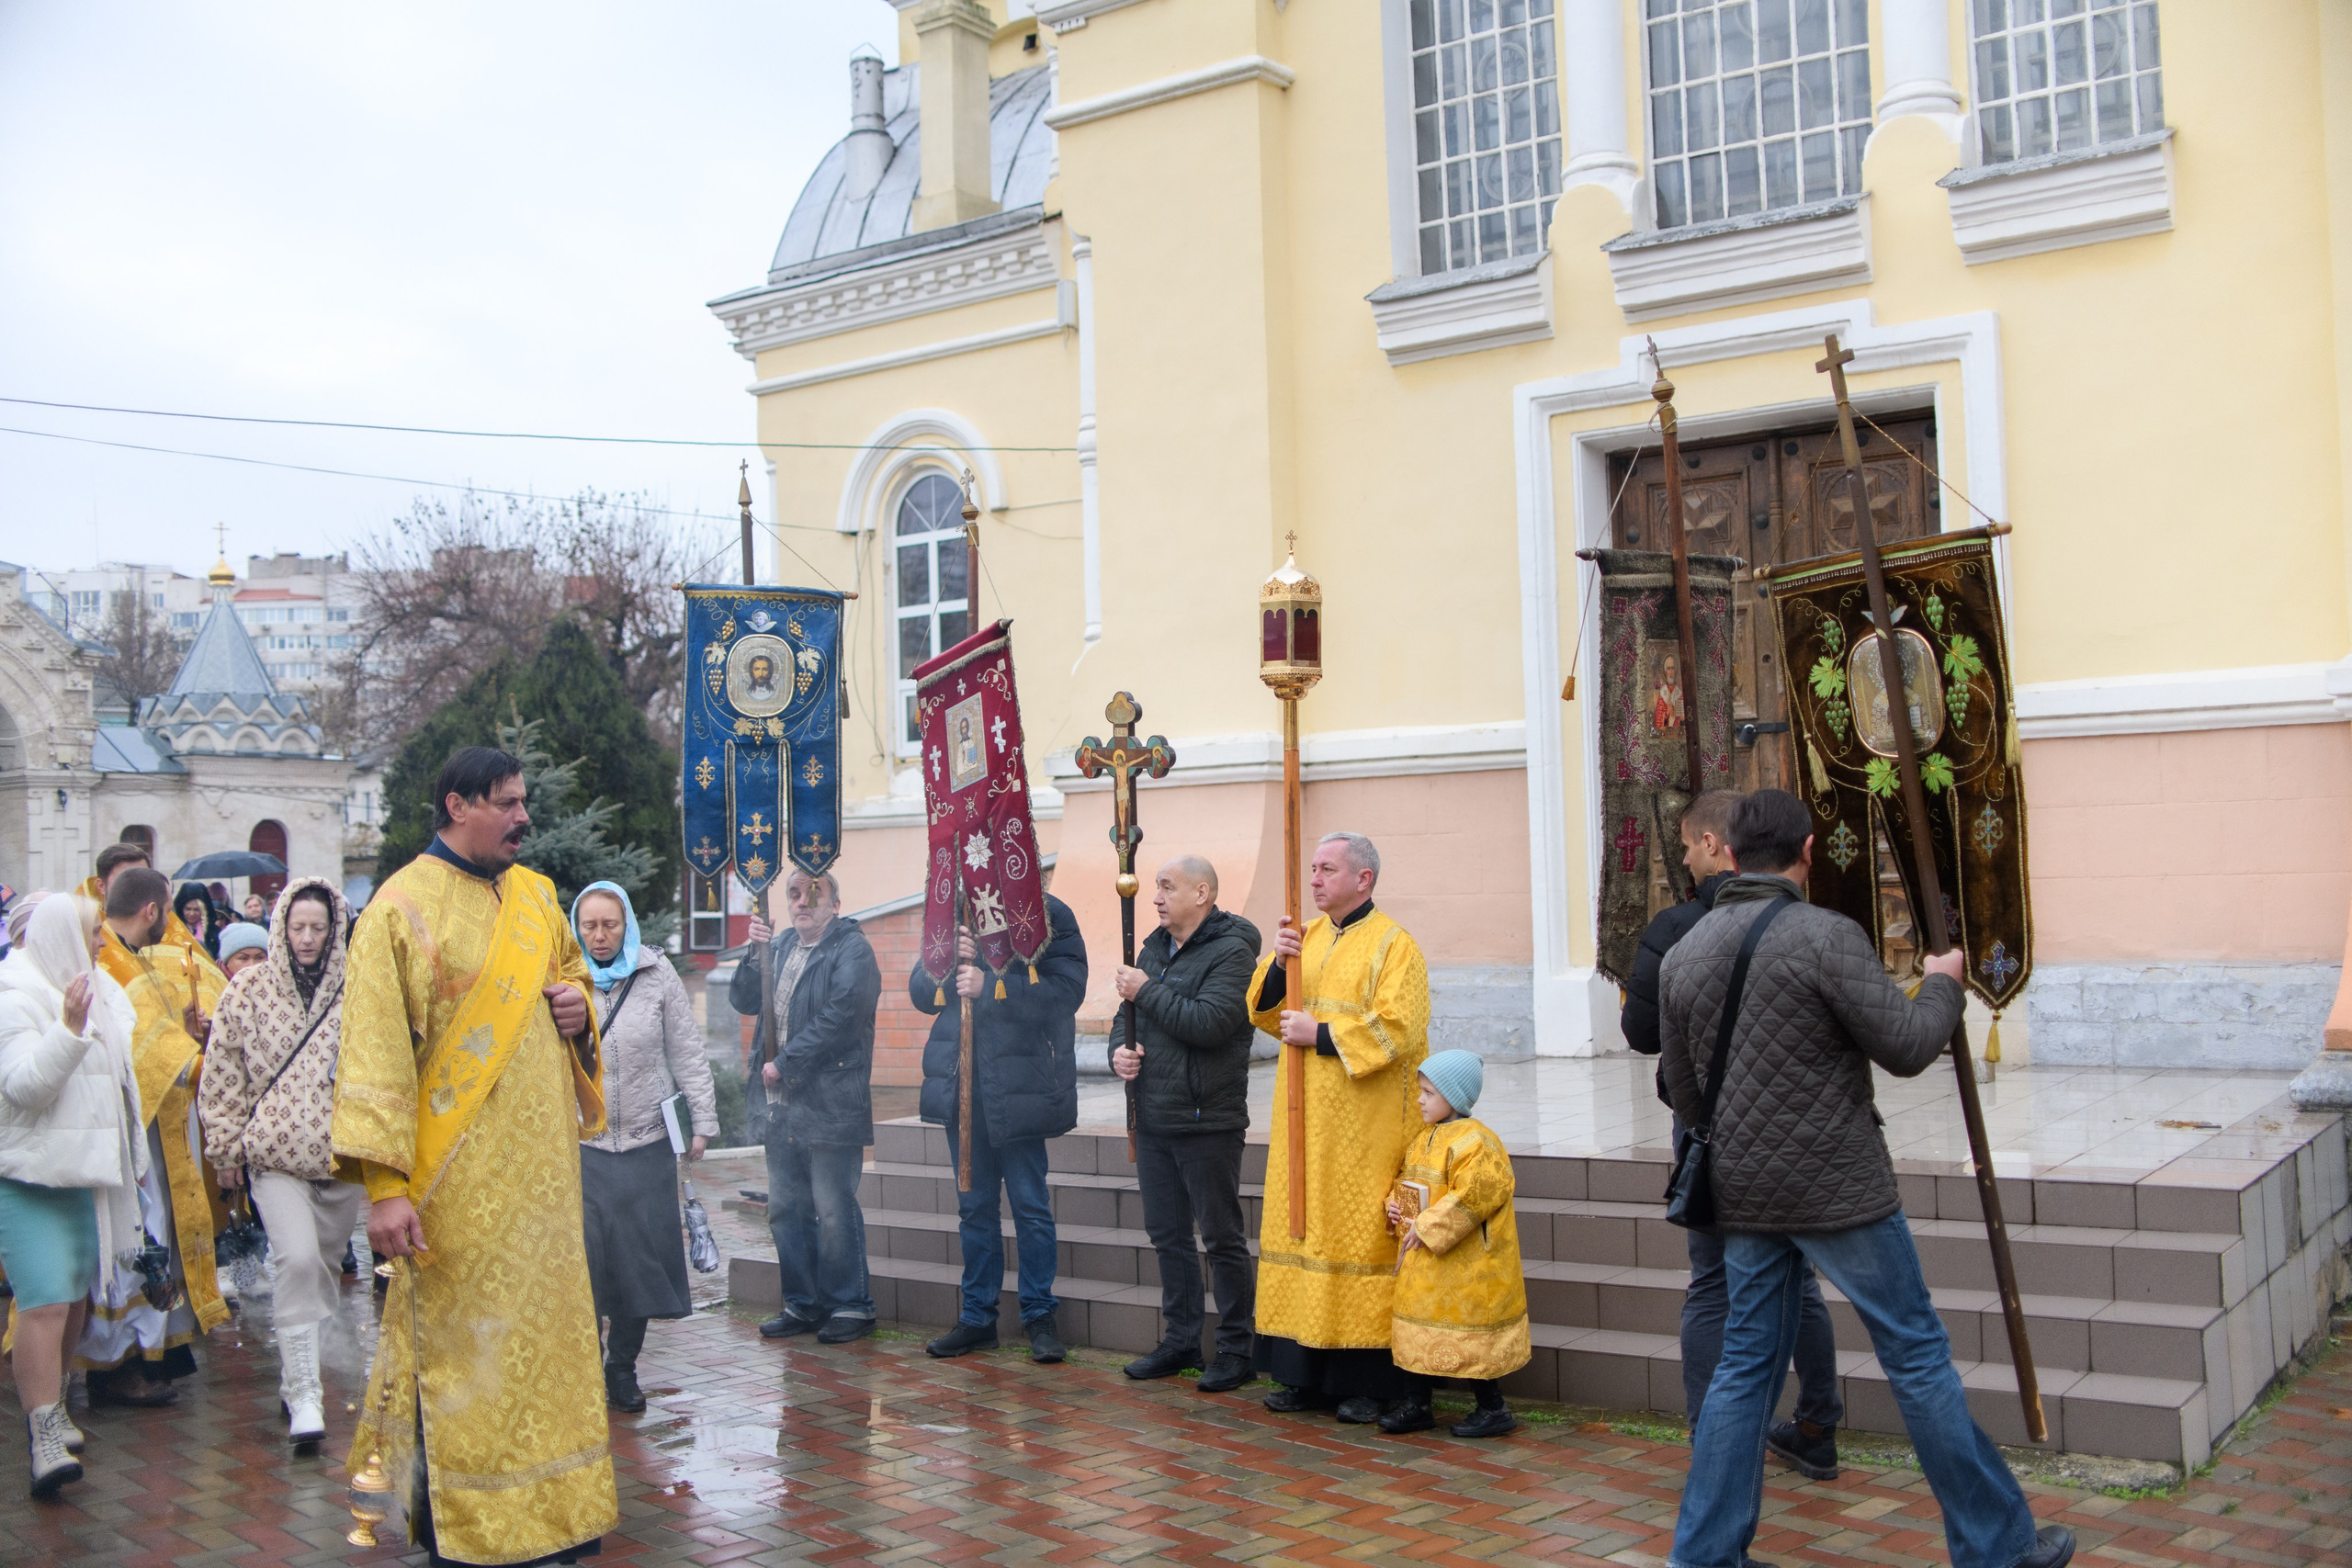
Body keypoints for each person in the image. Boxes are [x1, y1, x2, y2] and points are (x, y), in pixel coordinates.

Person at [1659, 790, 2074, 1568]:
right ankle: (1996, 1548)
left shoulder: (1686, 953)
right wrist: (1942, 981)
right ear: (1808, 851)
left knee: (1743, 1369)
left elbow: (1684, 1096)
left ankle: (1705, 1555)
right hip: (1839, 1188)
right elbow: (1909, 1044)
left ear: (1732, 855)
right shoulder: (1827, 936)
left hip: (1744, 1193)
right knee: (1915, 1355)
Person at [331, 747, 618, 1567]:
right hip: (453, 1192)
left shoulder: (538, 897)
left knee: (550, 1354)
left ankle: (560, 1519)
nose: (524, 816)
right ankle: (466, 1534)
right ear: (458, 805)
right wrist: (386, 1188)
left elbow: (575, 983)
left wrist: (579, 1009)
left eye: (525, 800)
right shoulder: (398, 911)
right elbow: (376, 1058)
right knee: (462, 1361)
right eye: (506, 802)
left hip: (543, 1188)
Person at [1623, 790, 1844, 1475]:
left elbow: (1641, 1031)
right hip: (1793, 1127)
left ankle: (1710, 1440)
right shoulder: (1806, 923)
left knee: (1713, 1283)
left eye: (1689, 844)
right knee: (1798, 1279)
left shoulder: (1679, 927)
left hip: (1710, 1126)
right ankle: (1817, 1423)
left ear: (1716, 845)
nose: (1685, 858)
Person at [1247, 831, 1430, 1424]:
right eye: (1313, 869)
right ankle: (1304, 1376)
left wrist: (1320, 1034)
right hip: (1303, 1120)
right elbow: (1262, 1012)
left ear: (1363, 878)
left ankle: (1368, 1382)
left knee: (1356, 1237)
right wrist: (1279, 964)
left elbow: (1399, 1029)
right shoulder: (1304, 937)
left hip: (1365, 1128)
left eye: (1327, 869)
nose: (1315, 880)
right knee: (1305, 1231)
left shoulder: (1395, 945)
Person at [198, 878, 364, 1448]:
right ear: (281, 928)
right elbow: (223, 1073)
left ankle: (298, 1376)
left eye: (318, 927)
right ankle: (306, 1393)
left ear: (335, 929)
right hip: (274, 1157)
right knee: (295, 1259)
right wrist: (225, 1149)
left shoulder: (359, 988)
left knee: (322, 1271)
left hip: (341, 1161)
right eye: (298, 927)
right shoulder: (248, 989)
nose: (308, 938)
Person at [0, 895, 146, 1496]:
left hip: (84, 1174)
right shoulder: (14, 994)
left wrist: (131, 1160)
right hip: (26, 1177)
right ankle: (42, 1435)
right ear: (61, 935)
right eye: (91, 933)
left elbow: (119, 1084)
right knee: (45, 1302)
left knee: (76, 1298)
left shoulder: (97, 989)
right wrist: (67, 1029)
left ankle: (56, 1403)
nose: (101, 943)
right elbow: (24, 1088)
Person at [910, 892, 1087, 1363]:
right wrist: (948, 963)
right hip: (962, 1088)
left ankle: (1039, 1315)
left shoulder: (1048, 911)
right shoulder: (952, 910)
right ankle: (977, 1318)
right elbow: (921, 993)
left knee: (1030, 1206)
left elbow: (1066, 993)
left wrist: (991, 987)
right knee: (974, 1208)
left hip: (1021, 1085)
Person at [1108, 855, 1261, 1393]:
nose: (1155, 897)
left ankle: (1237, 1350)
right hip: (1154, 1115)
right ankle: (1181, 1341)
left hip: (1206, 1118)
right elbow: (1125, 1019)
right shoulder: (1153, 947)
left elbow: (1211, 1023)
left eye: (1167, 887)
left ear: (1202, 894)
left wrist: (1145, 990)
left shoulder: (1234, 952)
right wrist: (1120, 1053)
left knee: (1221, 1238)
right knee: (1168, 1236)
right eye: (1155, 886)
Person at [77, 865, 224, 1406]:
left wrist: (184, 1032)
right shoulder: (111, 961)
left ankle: (148, 1353)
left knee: (151, 1236)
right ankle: (112, 1367)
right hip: (116, 1135)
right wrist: (204, 1063)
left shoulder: (128, 952)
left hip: (146, 1129)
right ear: (152, 910)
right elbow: (140, 1041)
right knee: (125, 1245)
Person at [572, 879, 716, 1414]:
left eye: (610, 924)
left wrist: (702, 1121)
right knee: (586, 1263)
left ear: (626, 925)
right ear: (576, 928)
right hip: (582, 1147)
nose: (600, 935)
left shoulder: (656, 974)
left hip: (646, 1142)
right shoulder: (562, 977)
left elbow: (687, 1050)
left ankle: (622, 1368)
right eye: (589, 925)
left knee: (636, 1263)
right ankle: (586, 1364)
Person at [730, 868, 881, 1346]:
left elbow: (842, 1015)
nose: (802, 902)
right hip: (780, 1105)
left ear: (835, 905)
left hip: (830, 1102)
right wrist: (753, 955)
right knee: (786, 1208)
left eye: (814, 895)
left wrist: (786, 1063)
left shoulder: (851, 949)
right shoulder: (777, 948)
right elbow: (744, 1001)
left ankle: (851, 1305)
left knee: (832, 1208)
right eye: (794, 894)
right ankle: (804, 1303)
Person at [1379, 1050, 1525, 1438]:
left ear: (1455, 1096)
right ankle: (1417, 1404)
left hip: (1467, 1263)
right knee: (1417, 1326)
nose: (1420, 1100)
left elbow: (1478, 1193)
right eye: (1421, 1091)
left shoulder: (1478, 1141)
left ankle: (1492, 1407)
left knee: (1472, 1332)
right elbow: (1407, 1182)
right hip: (1423, 1259)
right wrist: (1395, 1206)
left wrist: (1428, 1226)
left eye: (1429, 1093)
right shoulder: (1423, 1138)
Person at [174, 884, 220, 962]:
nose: (192, 914)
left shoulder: (214, 933)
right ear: (181, 909)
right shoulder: (173, 930)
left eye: (196, 910)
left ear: (203, 910)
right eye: (188, 909)